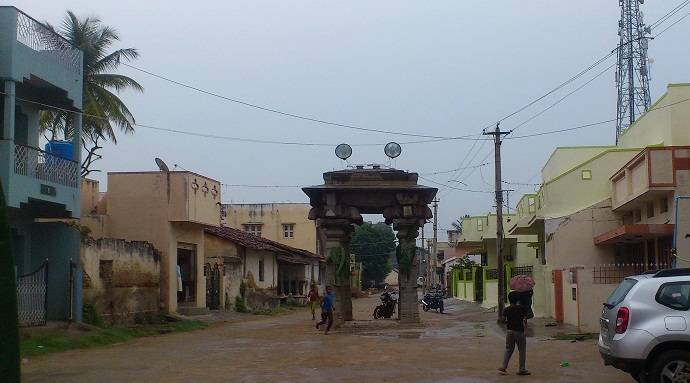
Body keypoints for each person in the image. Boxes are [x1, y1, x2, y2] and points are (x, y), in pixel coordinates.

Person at [499, 291, 530, 376]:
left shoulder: (507, 309)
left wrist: (508, 323)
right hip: (519, 331)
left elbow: (502, 320)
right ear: (518, 299)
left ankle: (503, 366)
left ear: (509, 299)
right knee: (522, 350)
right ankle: (521, 369)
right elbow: (525, 317)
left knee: (508, 349)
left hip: (509, 331)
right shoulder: (521, 308)